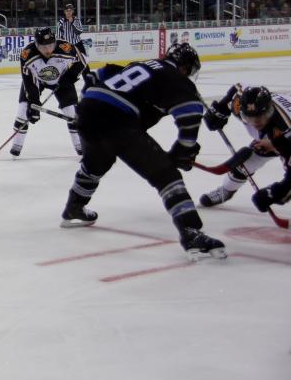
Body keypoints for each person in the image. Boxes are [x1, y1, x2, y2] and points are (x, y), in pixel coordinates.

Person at [58, 43, 226, 261]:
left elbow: (101, 74)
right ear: (185, 67)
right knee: (166, 176)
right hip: (118, 120)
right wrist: (183, 151)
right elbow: (190, 115)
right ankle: (191, 232)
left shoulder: (142, 65)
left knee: (96, 162)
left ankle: (74, 208)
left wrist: (91, 99)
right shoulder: (176, 76)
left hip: (88, 109)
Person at [199, 85, 291, 210]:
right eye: (249, 117)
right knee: (245, 164)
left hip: (290, 136)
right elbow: (237, 89)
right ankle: (227, 190)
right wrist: (219, 110)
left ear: (270, 110)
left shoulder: (287, 127)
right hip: (279, 133)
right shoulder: (239, 103)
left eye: (261, 116)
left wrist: (274, 194)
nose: (256, 122)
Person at [10, 27, 84, 158]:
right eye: (43, 47)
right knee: (23, 110)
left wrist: (69, 78)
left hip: (61, 80)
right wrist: (34, 104)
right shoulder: (27, 54)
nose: (48, 50)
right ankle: (16, 145)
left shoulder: (65, 47)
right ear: (36, 45)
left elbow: (82, 61)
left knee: (72, 113)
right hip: (36, 81)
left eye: (50, 45)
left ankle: (80, 146)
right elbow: (28, 81)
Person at [56, 3, 92, 86]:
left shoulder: (76, 20)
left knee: (83, 63)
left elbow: (79, 32)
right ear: (64, 12)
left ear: (72, 11)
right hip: (67, 46)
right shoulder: (61, 22)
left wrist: (72, 23)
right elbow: (58, 36)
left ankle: (89, 81)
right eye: (67, 11)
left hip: (78, 44)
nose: (68, 12)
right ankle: (65, 82)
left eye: (70, 10)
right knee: (64, 64)